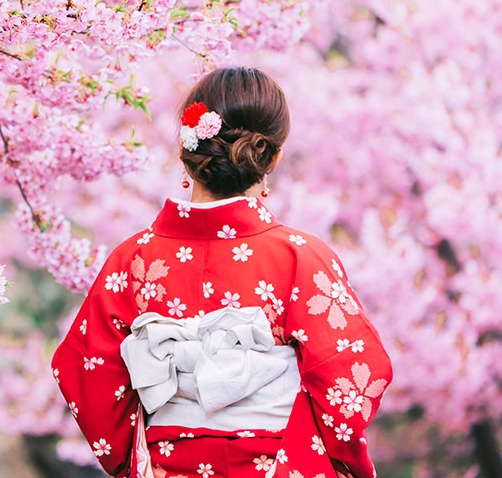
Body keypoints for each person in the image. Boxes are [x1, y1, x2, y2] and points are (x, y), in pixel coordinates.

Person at [51, 67, 393, 478]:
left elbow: (85, 373)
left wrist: (136, 459)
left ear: (187, 150)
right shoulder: (299, 258)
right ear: (273, 156)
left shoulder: (132, 261)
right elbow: (352, 373)